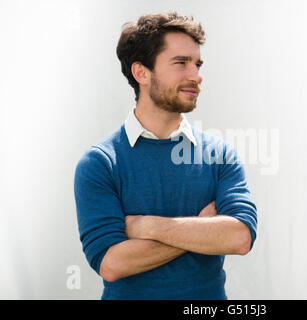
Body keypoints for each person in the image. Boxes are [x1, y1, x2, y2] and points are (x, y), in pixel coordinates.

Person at [73, 12, 257, 300]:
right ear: (141, 73)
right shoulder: (100, 163)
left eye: (197, 64)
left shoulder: (219, 155)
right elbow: (112, 264)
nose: (196, 75)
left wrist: (147, 226)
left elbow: (240, 237)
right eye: (180, 63)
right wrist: (202, 227)